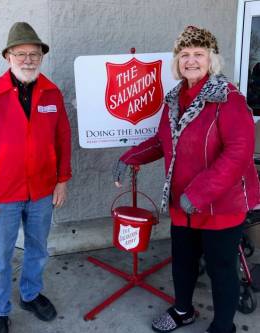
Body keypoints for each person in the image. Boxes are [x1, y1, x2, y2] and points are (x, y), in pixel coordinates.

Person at [113, 26, 260, 333]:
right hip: (183, 205)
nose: (191, 61)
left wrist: (200, 193)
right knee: (182, 263)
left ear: (211, 59)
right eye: (185, 55)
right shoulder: (174, 98)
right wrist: (130, 157)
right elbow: (163, 141)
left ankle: (223, 326)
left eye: (198, 54)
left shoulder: (229, 99)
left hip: (221, 206)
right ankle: (183, 311)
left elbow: (238, 153)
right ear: (177, 60)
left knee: (221, 270)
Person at [0, 22, 71, 333]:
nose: (27, 60)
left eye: (34, 54)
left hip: (42, 190)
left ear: (41, 57)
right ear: (8, 56)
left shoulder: (51, 92)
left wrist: (62, 179)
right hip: (1, 194)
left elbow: (63, 137)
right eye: (20, 54)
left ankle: (30, 294)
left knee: (38, 248)